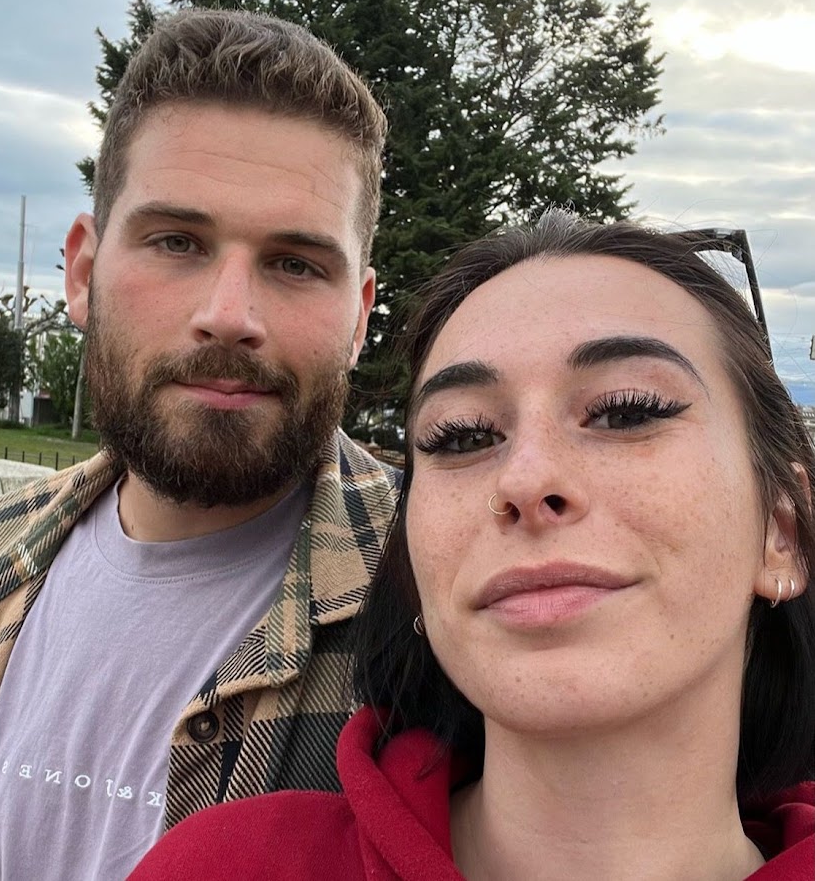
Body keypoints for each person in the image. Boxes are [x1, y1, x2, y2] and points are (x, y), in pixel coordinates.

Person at [130, 210, 815, 880]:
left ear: (780, 532)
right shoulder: (226, 867)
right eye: (463, 436)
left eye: (626, 410)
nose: (525, 478)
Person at [0, 8, 398, 880]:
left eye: (295, 263)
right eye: (177, 241)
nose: (229, 314)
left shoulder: (435, 608)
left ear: (359, 316)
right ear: (82, 272)